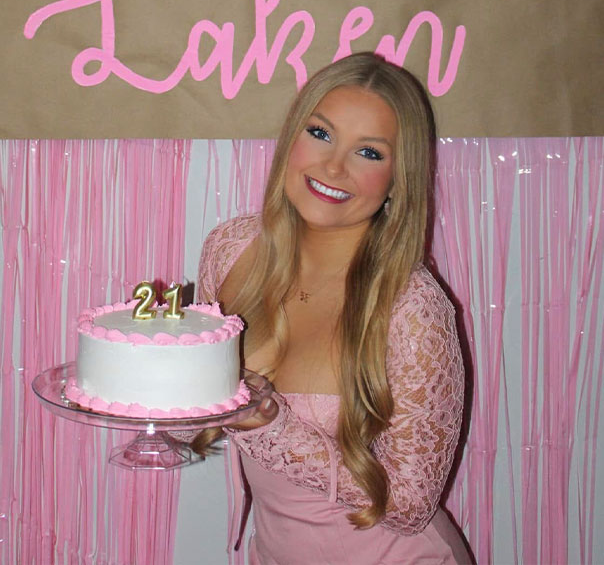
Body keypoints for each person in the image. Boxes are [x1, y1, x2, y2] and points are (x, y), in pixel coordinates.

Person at [196, 52, 472, 564]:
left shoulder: (413, 310)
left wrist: (273, 427)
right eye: (321, 134)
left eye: (369, 152)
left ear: (397, 180)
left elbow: (410, 507)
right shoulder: (231, 249)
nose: (333, 166)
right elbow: (204, 392)